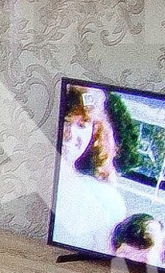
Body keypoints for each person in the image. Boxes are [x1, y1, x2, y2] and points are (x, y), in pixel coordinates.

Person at [52, 84, 129, 252]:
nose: (70, 135)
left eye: (82, 125)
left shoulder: (107, 201)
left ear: (95, 132)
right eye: (66, 121)